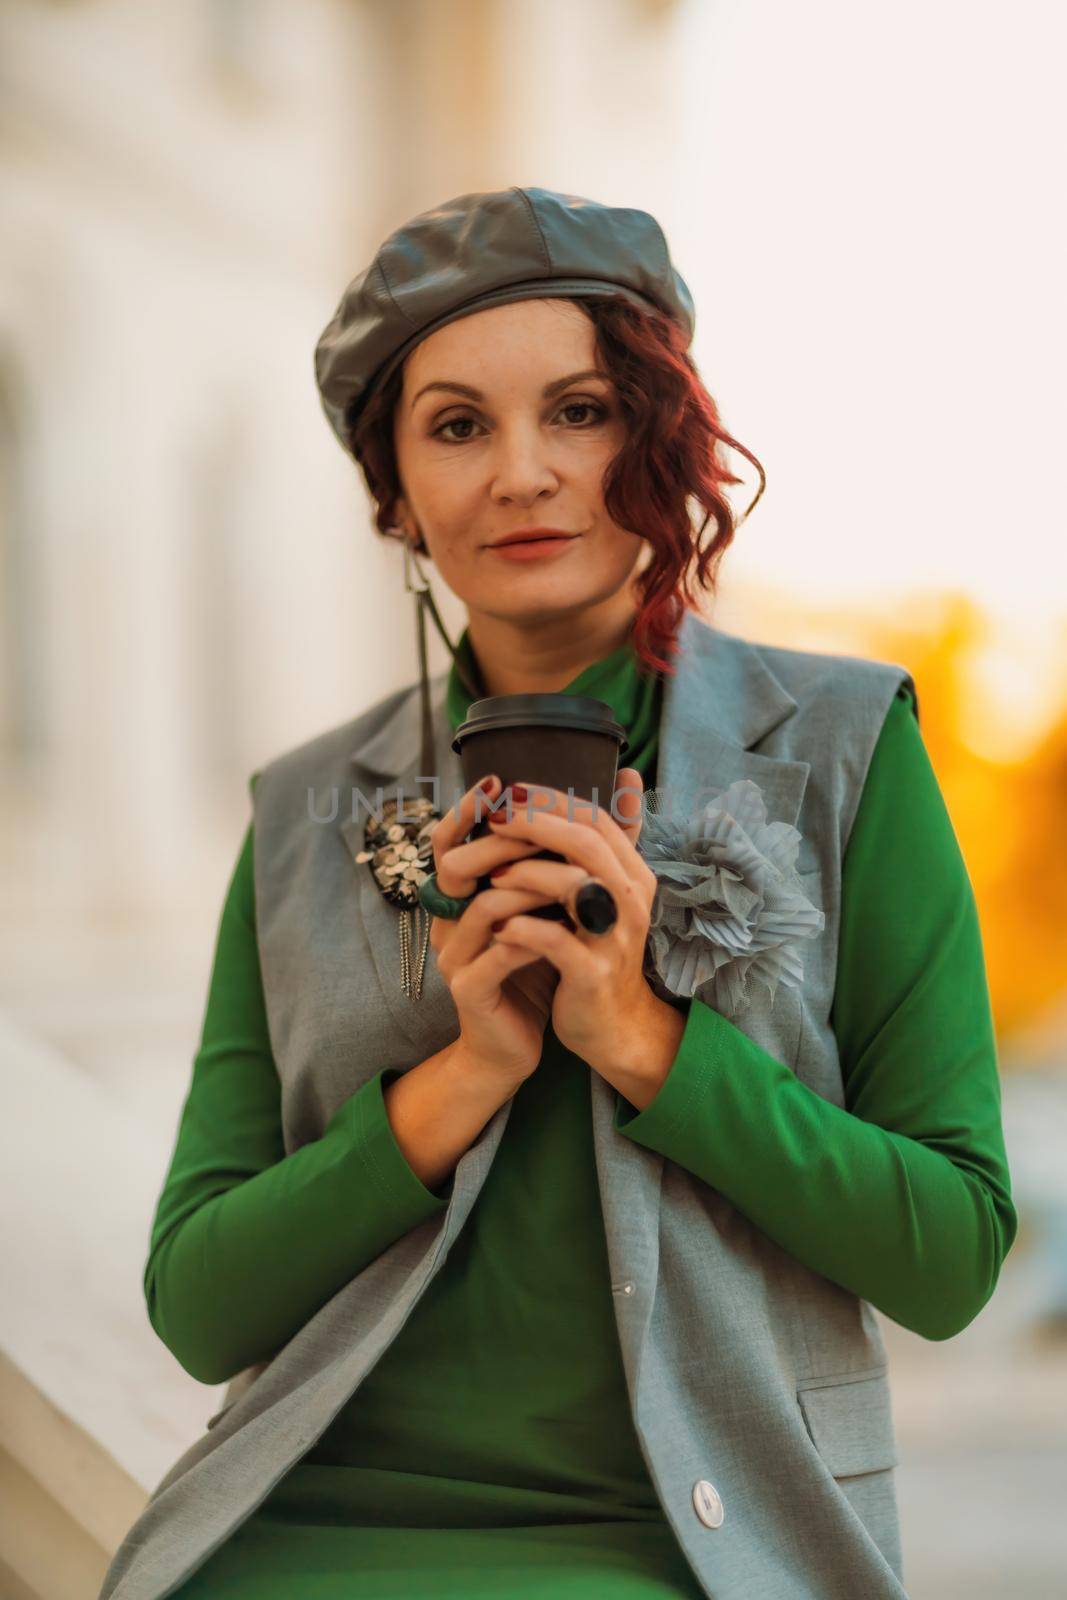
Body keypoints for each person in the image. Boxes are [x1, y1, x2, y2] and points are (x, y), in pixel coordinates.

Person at [98, 187, 1017, 1600]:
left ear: (657, 440)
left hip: (685, 1537)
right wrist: (460, 1077)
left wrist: (646, 1042)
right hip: (306, 1518)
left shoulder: (843, 749)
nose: (522, 471)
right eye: (458, 426)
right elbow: (200, 1302)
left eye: (579, 412)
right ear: (394, 491)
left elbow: (950, 1256)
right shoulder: (299, 811)